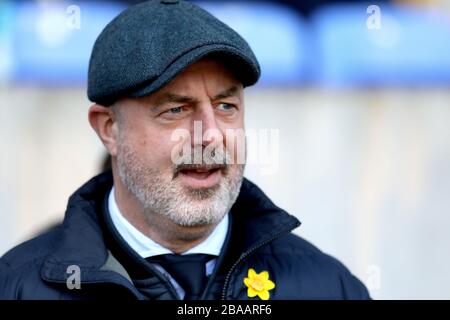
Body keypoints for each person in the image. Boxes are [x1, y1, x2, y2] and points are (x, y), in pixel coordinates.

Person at [0, 0, 370, 300]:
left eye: (226, 107)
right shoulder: (18, 286)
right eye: (176, 110)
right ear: (109, 129)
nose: (210, 136)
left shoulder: (327, 286)